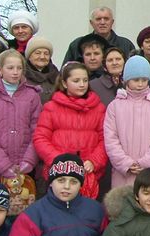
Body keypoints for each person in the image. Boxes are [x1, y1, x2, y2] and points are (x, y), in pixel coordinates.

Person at [33, 62, 108, 199]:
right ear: (65, 83)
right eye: (76, 80)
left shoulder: (98, 108)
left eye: (85, 80)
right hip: (58, 175)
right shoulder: (51, 107)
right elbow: (41, 138)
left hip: (88, 174)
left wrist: (94, 161)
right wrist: (59, 161)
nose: (82, 84)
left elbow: (105, 139)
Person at [0, 50, 42, 187]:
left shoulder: (32, 95)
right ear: (0, 70)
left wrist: (29, 161)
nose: (15, 72)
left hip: (24, 171)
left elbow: (38, 130)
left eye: (19, 68)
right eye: (10, 68)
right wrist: (3, 165)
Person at [103, 56, 150, 189]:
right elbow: (111, 139)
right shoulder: (115, 106)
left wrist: (146, 163)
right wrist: (125, 163)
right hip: (123, 175)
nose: (140, 84)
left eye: (144, 80)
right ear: (126, 80)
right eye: (135, 80)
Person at [63, 6, 136, 64]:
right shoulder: (77, 45)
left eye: (106, 19)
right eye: (98, 19)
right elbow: (65, 72)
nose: (102, 22)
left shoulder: (126, 45)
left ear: (112, 22)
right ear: (91, 23)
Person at [24, 37, 59, 103]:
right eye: (37, 53)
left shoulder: (57, 76)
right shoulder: (21, 76)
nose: (42, 57)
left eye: (46, 53)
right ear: (29, 56)